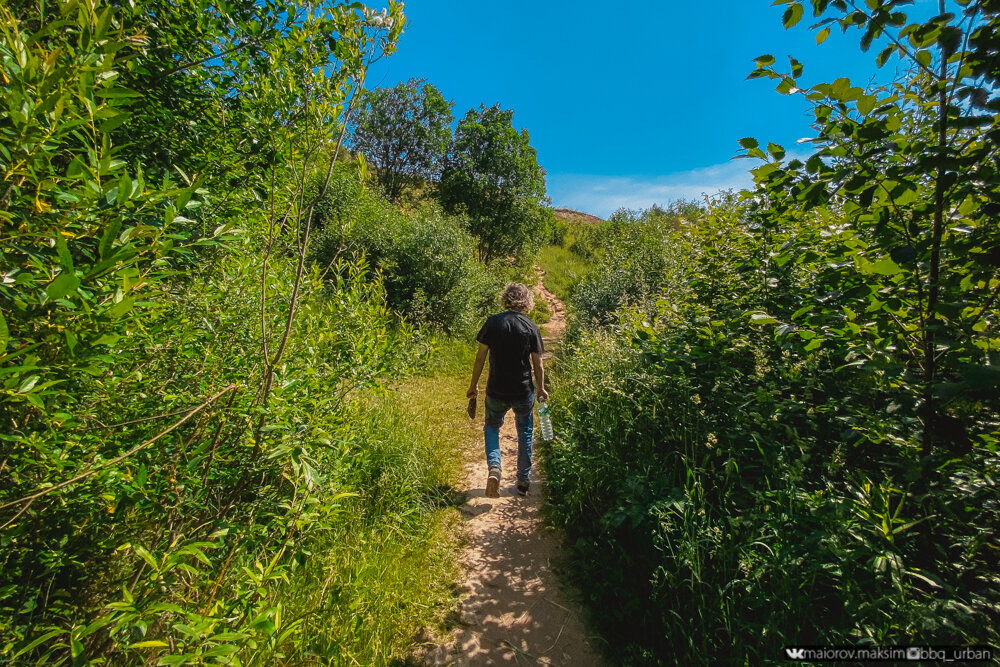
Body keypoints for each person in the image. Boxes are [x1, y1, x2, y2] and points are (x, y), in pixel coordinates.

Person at [467, 283, 548, 498]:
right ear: (527, 302)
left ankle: (495, 468)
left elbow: (480, 357)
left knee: (492, 427)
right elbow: (538, 364)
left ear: (505, 299)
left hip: (496, 389)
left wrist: (474, 385)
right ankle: (522, 481)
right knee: (525, 432)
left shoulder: (493, 323)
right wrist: (541, 388)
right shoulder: (531, 327)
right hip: (523, 390)